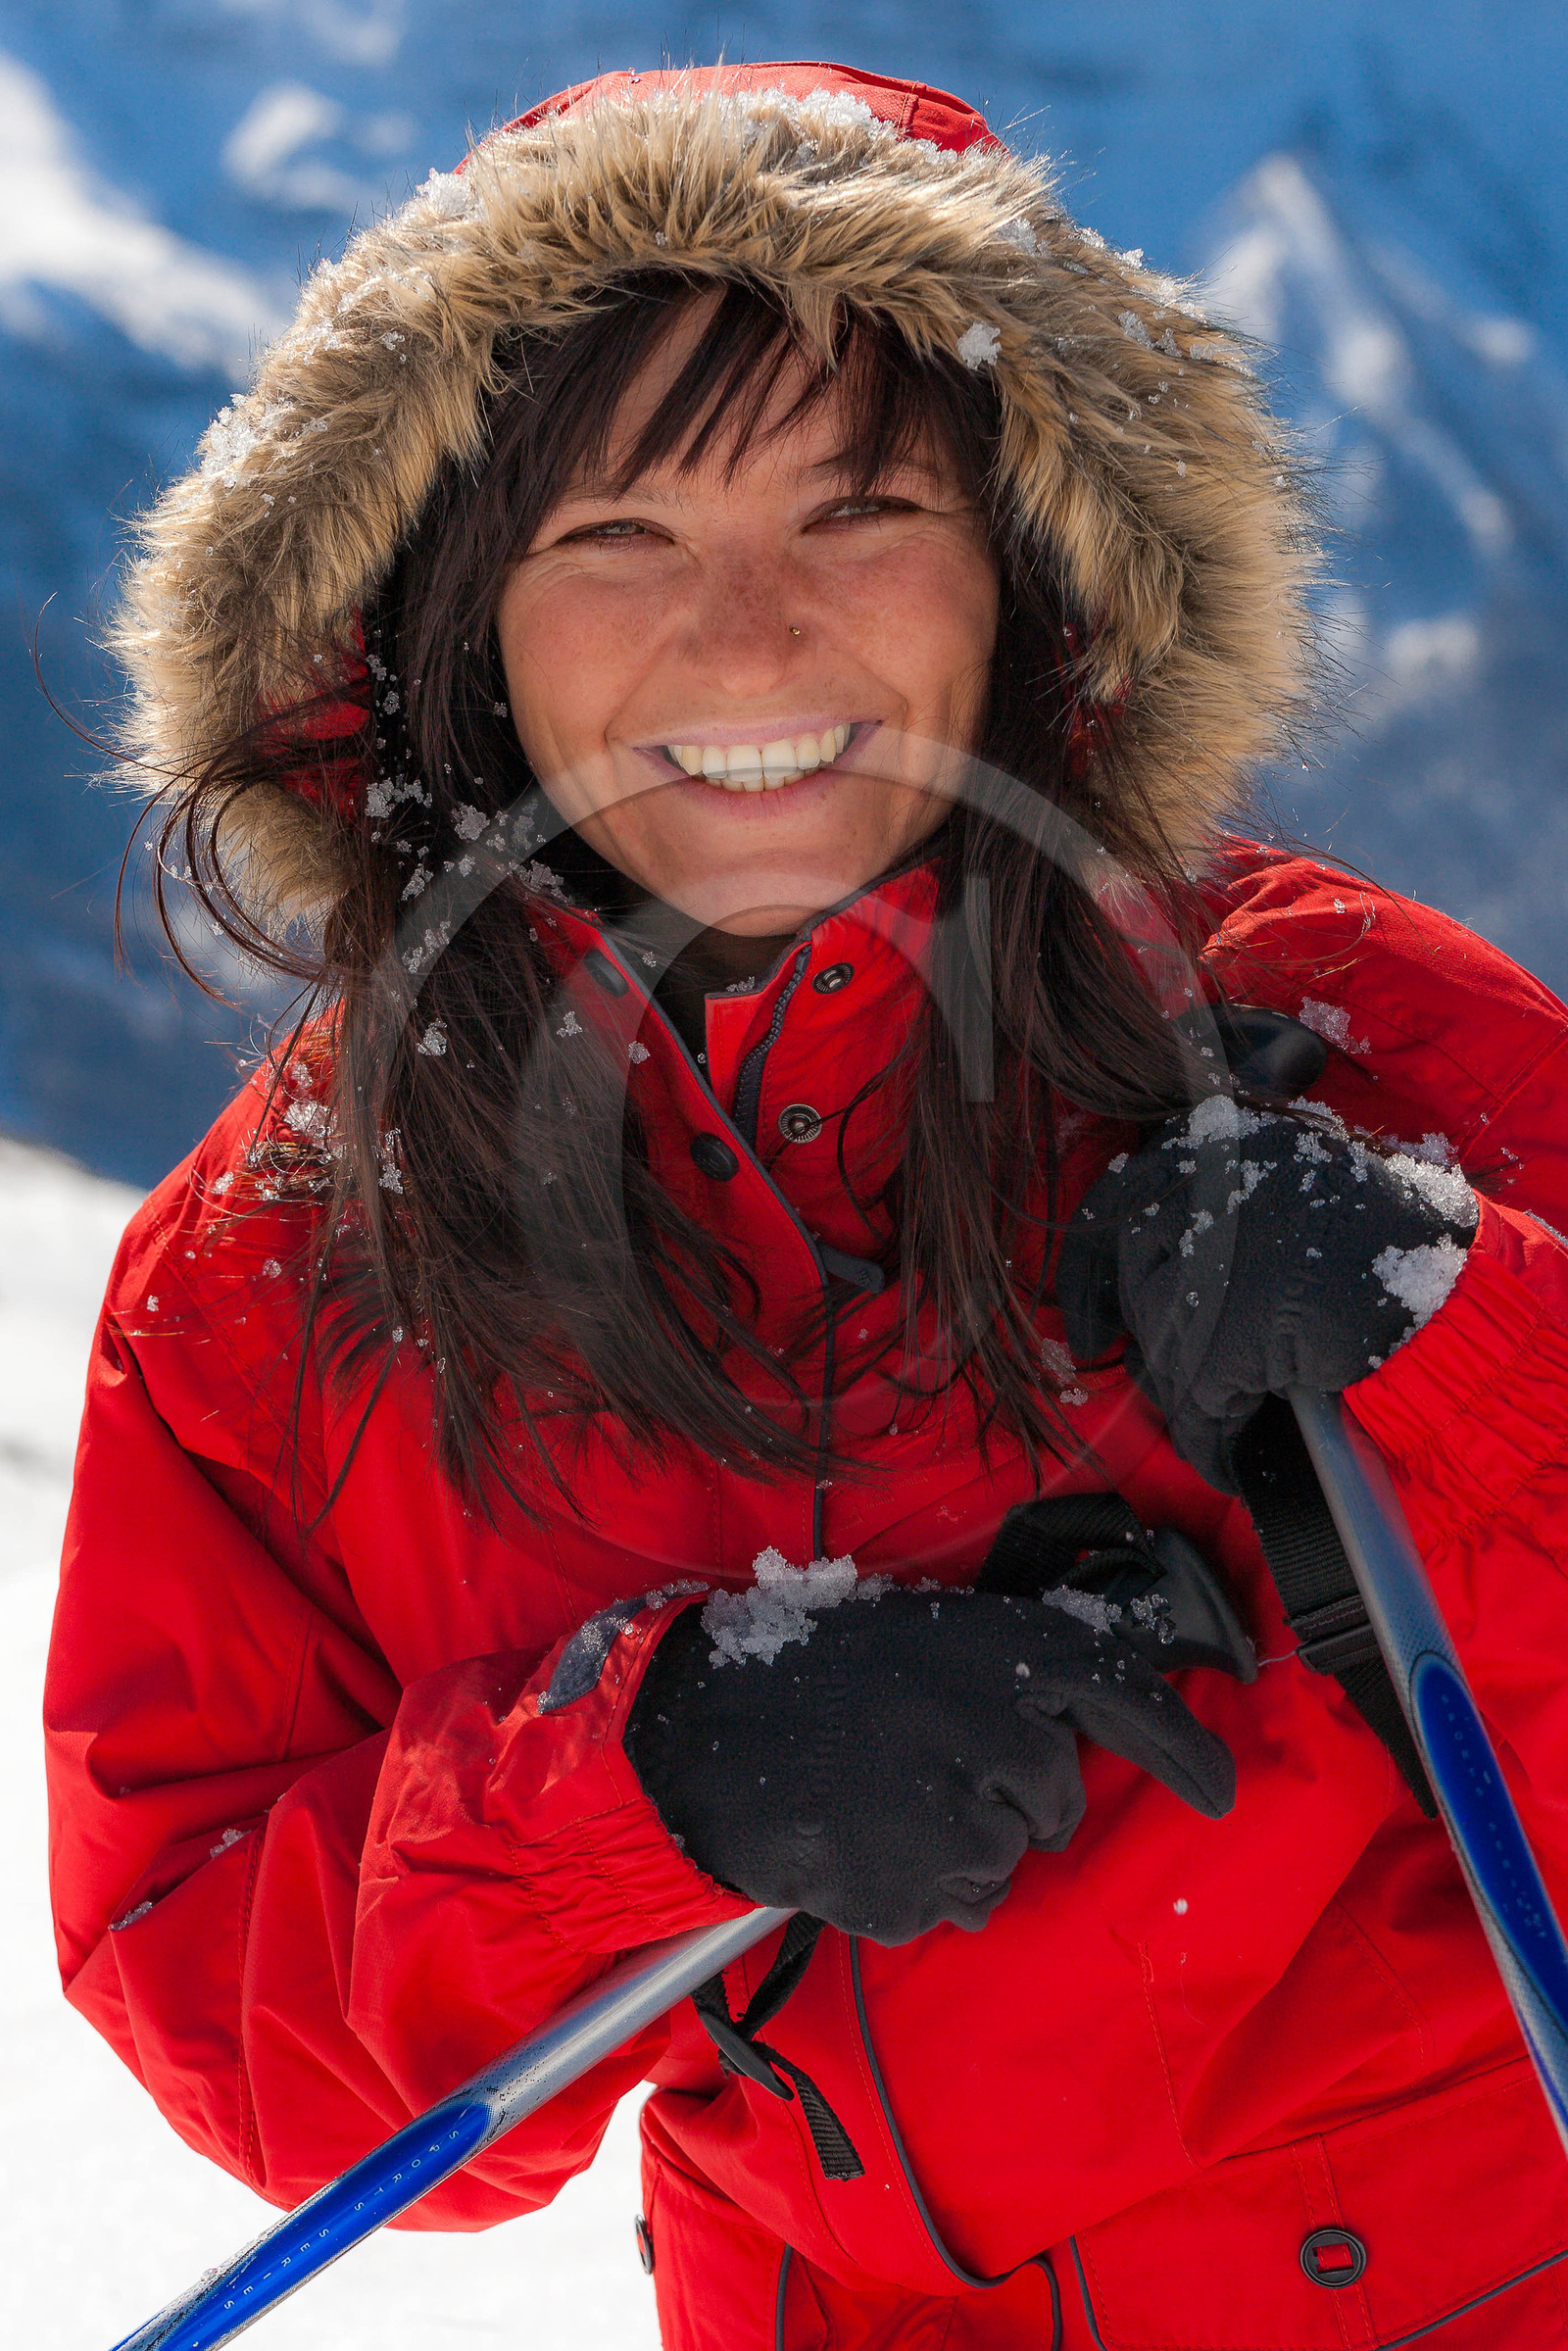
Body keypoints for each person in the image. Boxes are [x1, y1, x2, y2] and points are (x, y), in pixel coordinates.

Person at [44, 61, 1568, 2351]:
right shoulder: (293, 1259)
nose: (748, 643)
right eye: (615, 539)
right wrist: (639, 1783)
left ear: (1024, 580)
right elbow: (217, 1982)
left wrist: (1450, 1349)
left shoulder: (1338, 1042)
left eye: (856, 511)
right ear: (449, 634)